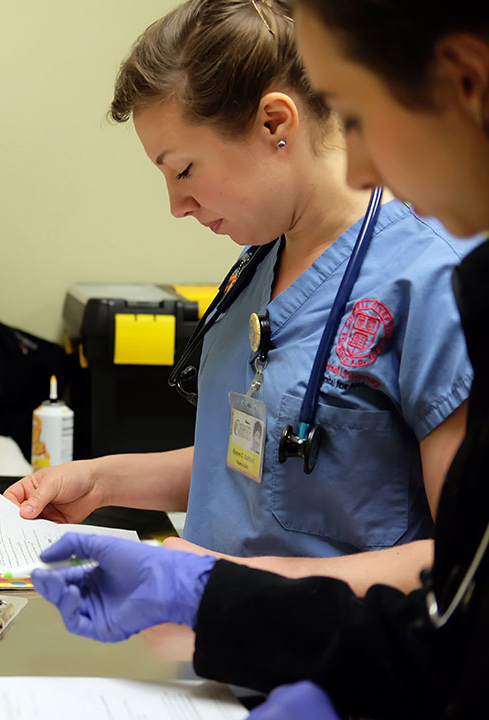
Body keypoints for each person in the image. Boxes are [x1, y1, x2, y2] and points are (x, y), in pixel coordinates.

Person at [32, 0, 489, 716]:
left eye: (183, 169)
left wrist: (232, 584)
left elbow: (460, 572)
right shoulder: (261, 263)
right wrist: (107, 479)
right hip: (216, 666)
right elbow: (269, 457)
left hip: (346, 678)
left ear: (277, 123)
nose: (176, 205)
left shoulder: (428, 278)